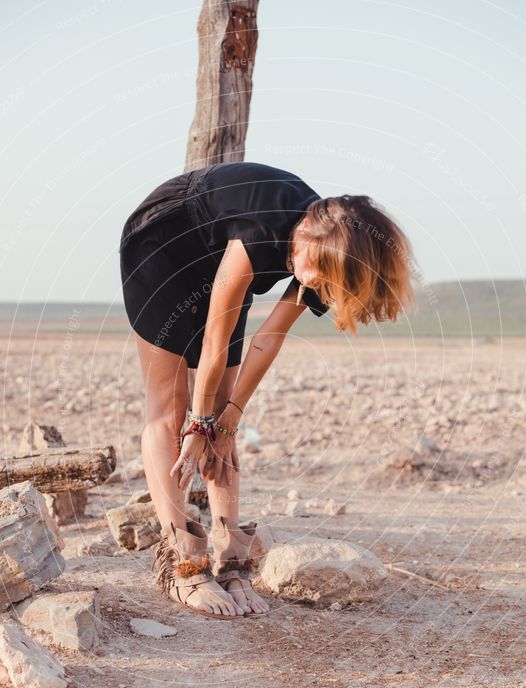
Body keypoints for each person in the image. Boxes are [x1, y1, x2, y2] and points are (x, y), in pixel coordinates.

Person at [119, 161, 415, 621]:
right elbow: (215, 341)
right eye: (312, 273)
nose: (311, 284)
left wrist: (229, 418)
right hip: (162, 242)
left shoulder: (327, 252)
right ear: (304, 240)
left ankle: (231, 562)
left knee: (222, 413)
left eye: (322, 281)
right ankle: (183, 565)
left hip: (216, 255)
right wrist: (197, 426)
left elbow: (269, 337)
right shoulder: (262, 234)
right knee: (173, 408)